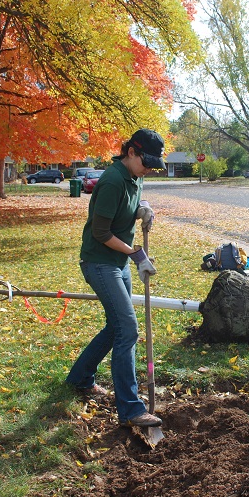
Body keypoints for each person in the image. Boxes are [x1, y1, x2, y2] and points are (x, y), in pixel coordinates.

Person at [65, 128, 164, 428]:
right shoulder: (111, 180)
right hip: (99, 262)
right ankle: (131, 409)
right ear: (130, 152)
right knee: (128, 328)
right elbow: (101, 232)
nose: (148, 168)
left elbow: (128, 208)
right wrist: (135, 254)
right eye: (145, 161)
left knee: (115, 327)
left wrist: (143, 210)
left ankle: (80, 378)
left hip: (117, 261)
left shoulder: (136, 177)